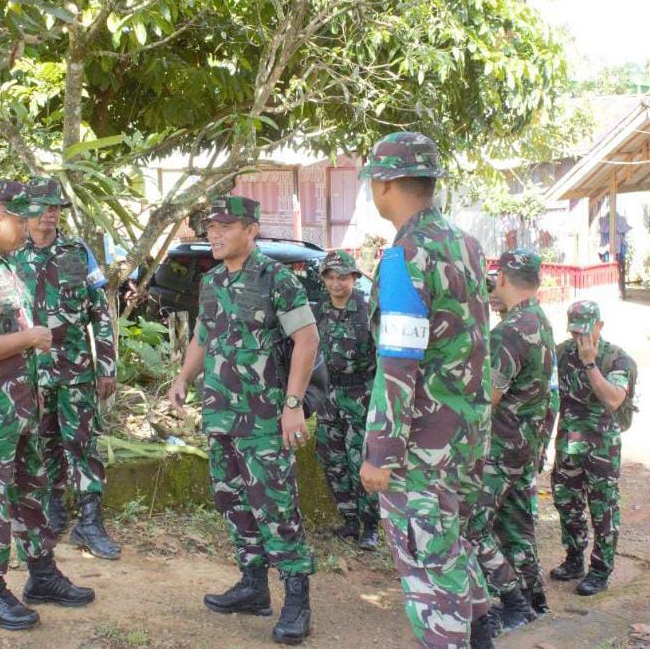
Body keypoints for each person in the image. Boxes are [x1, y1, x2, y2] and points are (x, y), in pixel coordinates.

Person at [356, 132, 497, 648]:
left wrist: (381, 452)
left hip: (421, 450)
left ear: (384, 184)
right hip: (467, 439)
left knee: (429, 570)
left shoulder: (404, 257)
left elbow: (398, 363)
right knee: (454, 549)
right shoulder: (466, 244)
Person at [0, 180, 94, 631]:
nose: (28, 226)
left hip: (18, 408)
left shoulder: (4, 265)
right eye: (20, 218)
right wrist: (30, 338)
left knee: (32, 489)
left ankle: (42, 574)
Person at [167, 196, 318, 645]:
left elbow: (307, 340)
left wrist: (293, 405)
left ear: (251, 230)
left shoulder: (276, 279)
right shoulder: (211, 281)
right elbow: (202, 336)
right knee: (232, 501)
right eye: (210, 226)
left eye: (225, 226)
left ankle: (297, 598)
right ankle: (254, 586)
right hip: (220, 414)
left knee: (276, 507)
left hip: (264, 419)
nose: (214, 234)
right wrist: (183, 377)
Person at [12, 177, 119, 559]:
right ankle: (54, 510)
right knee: (43, 444)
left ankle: (90, 522)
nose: (50, 214)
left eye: (56, 207)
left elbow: (100, 314)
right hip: (30, 374)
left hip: (75, 371)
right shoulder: (12, 256)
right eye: (43, 207)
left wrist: (106, 365)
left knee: (83, 444)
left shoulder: (78, 253)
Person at [466, 249, 555, 631]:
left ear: (502, 278)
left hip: (500, 447)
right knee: (517, 526)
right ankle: (535, 602)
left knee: (472, 526)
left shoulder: (510, 330)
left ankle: (515, 602)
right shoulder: (539, 320)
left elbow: (488, 396)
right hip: (524, 444)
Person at [550, 300, 633, 596]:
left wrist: (590, 363)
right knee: (566, 503)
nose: (580, 339)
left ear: (600, 326)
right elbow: (548, 397)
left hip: (602, 448)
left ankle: (600, 571)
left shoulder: (616, 359)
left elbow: (612, 400)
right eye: (575, 333)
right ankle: (574, 559)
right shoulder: (561, 354)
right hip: (568, 444)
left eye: (585, 332)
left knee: (603, 509)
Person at [314, 250, 379, 549]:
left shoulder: (368, 311)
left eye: (342, 277)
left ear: (354, 278)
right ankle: (349, 520)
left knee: (361, 461)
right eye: (330, 277)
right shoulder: (317, 311)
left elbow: (383, 357)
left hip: (361, 396)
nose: (336, 283)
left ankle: (371, 525)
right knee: (333, 459)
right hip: (327, 396)